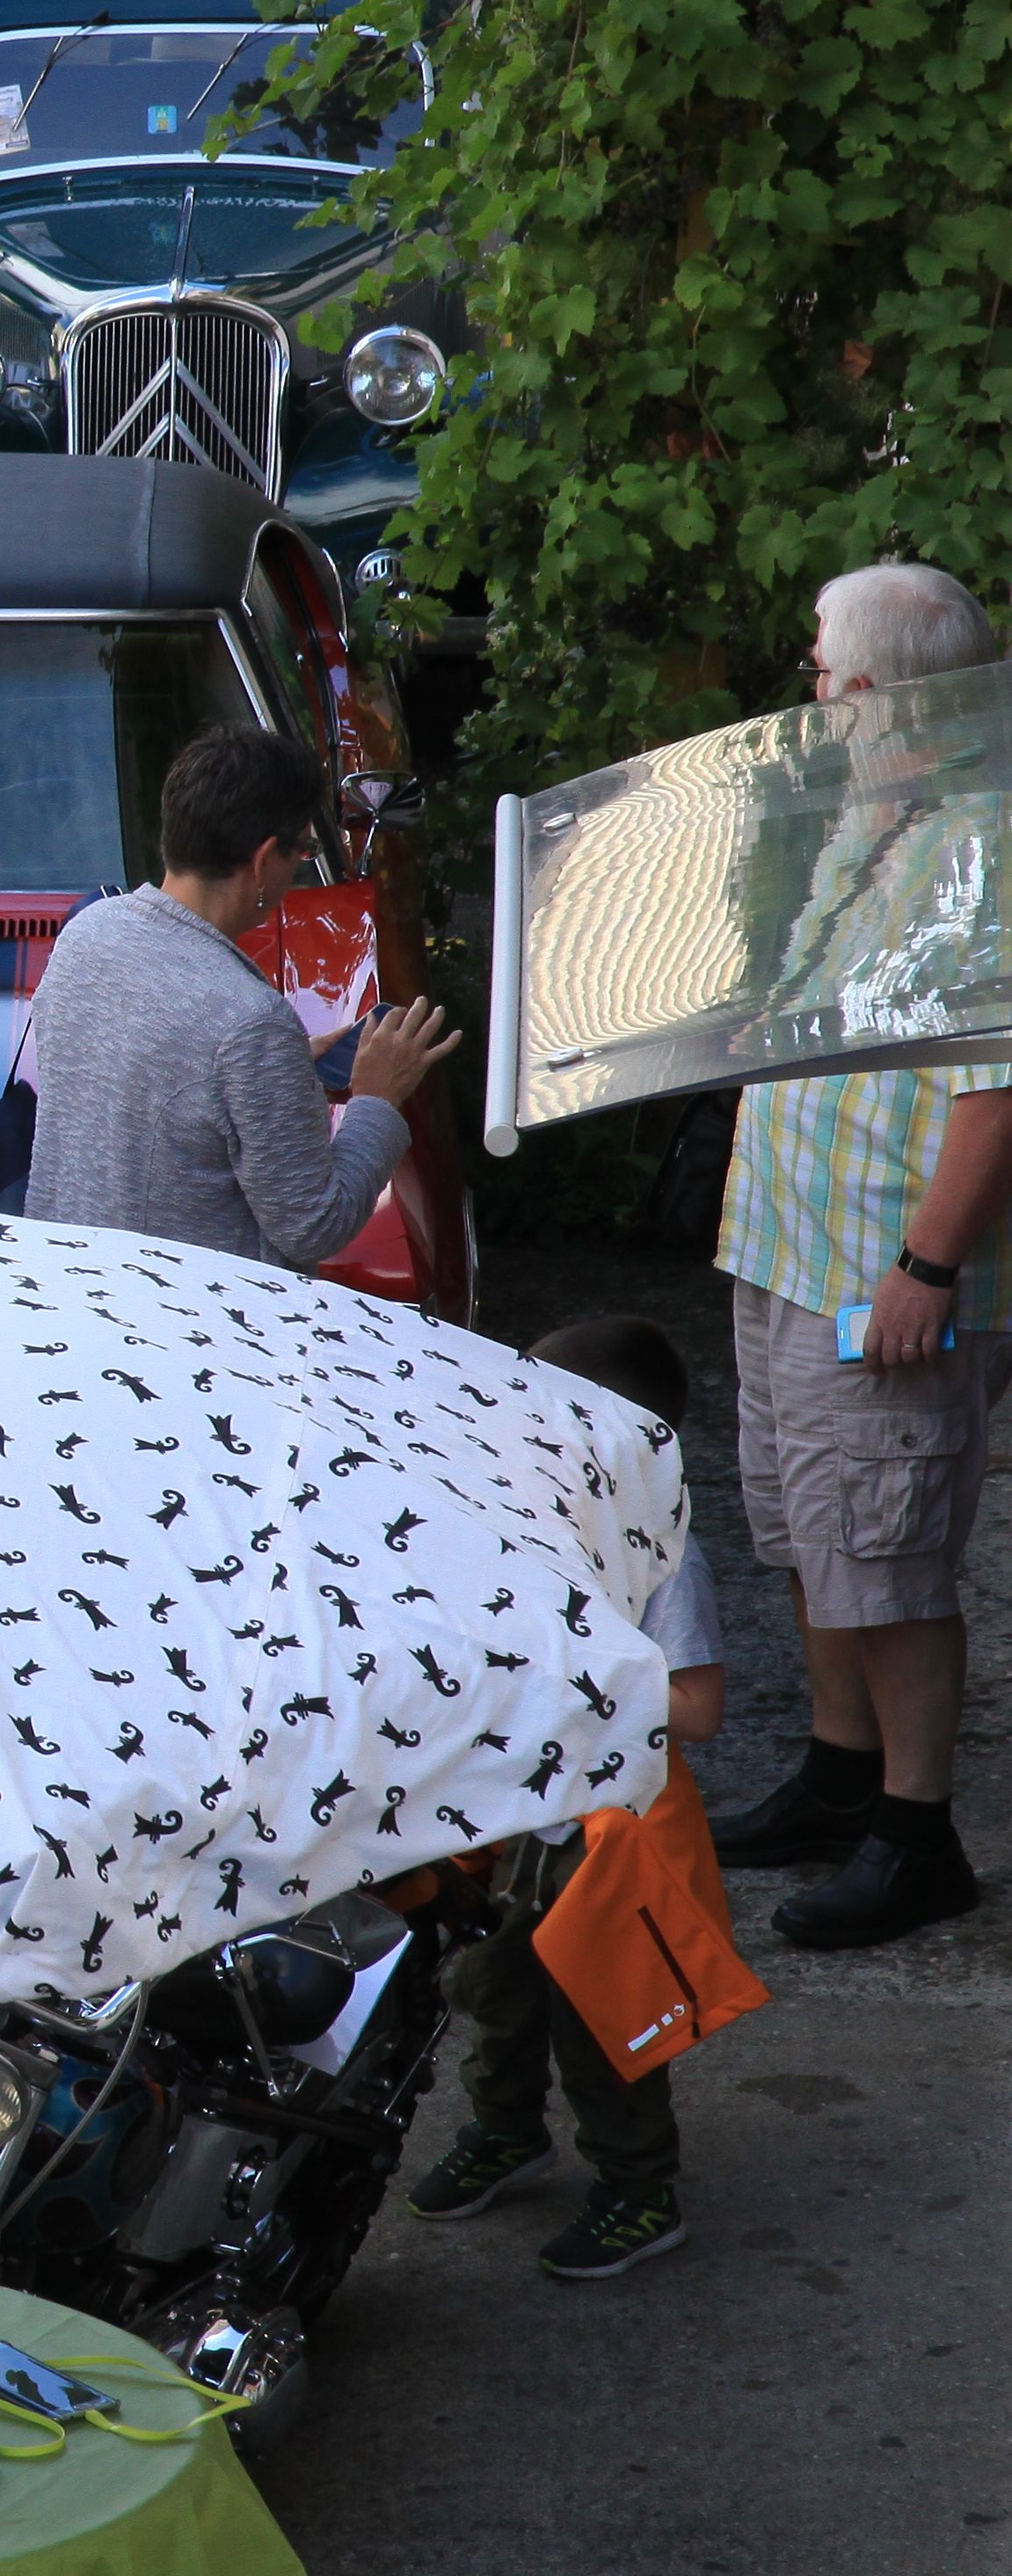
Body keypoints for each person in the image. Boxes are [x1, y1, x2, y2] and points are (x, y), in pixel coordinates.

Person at [705, 561, 1012, 1950]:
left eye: (826, 668)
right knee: (808, 1531)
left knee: (884, 1556)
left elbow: (996, 1086)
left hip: (877, 1273)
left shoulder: (986, 845)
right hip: (788, 1248)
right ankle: (839, 1777)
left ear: (887, 692)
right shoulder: (873, 812)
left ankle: (916, 1830)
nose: (812, 687)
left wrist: (930, 1270)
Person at [409, 1315, 724, 2283]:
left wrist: (562, 1685)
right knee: (491, 1990)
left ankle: (639, 2187)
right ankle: (508, 2130)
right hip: (509, 1820)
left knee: (606, 2015)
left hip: (608, 1835)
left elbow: (698, 1707)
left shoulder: (662, 1556)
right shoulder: (507, 1528)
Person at [21, 724, 453, 1266]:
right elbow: (316, 1226)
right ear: (263, 859)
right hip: (186, 1327)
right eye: (304, 849)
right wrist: (375, 1099)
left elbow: (166, 1089)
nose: (299, 867)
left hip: (72, 1288)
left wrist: (282, 1079)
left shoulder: (87, 933)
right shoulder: (250, 1023)